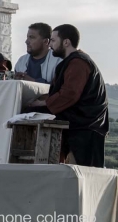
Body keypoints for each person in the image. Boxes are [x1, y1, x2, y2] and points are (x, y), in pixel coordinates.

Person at [28, 24, 108, 168]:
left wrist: (42, 104)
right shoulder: (73, 61)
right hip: (80, 123)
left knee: (83, 174)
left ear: (66, 42)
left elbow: (69, 94)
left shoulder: (78, 62)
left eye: (53, 40)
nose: (50, 45)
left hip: (84, 126)